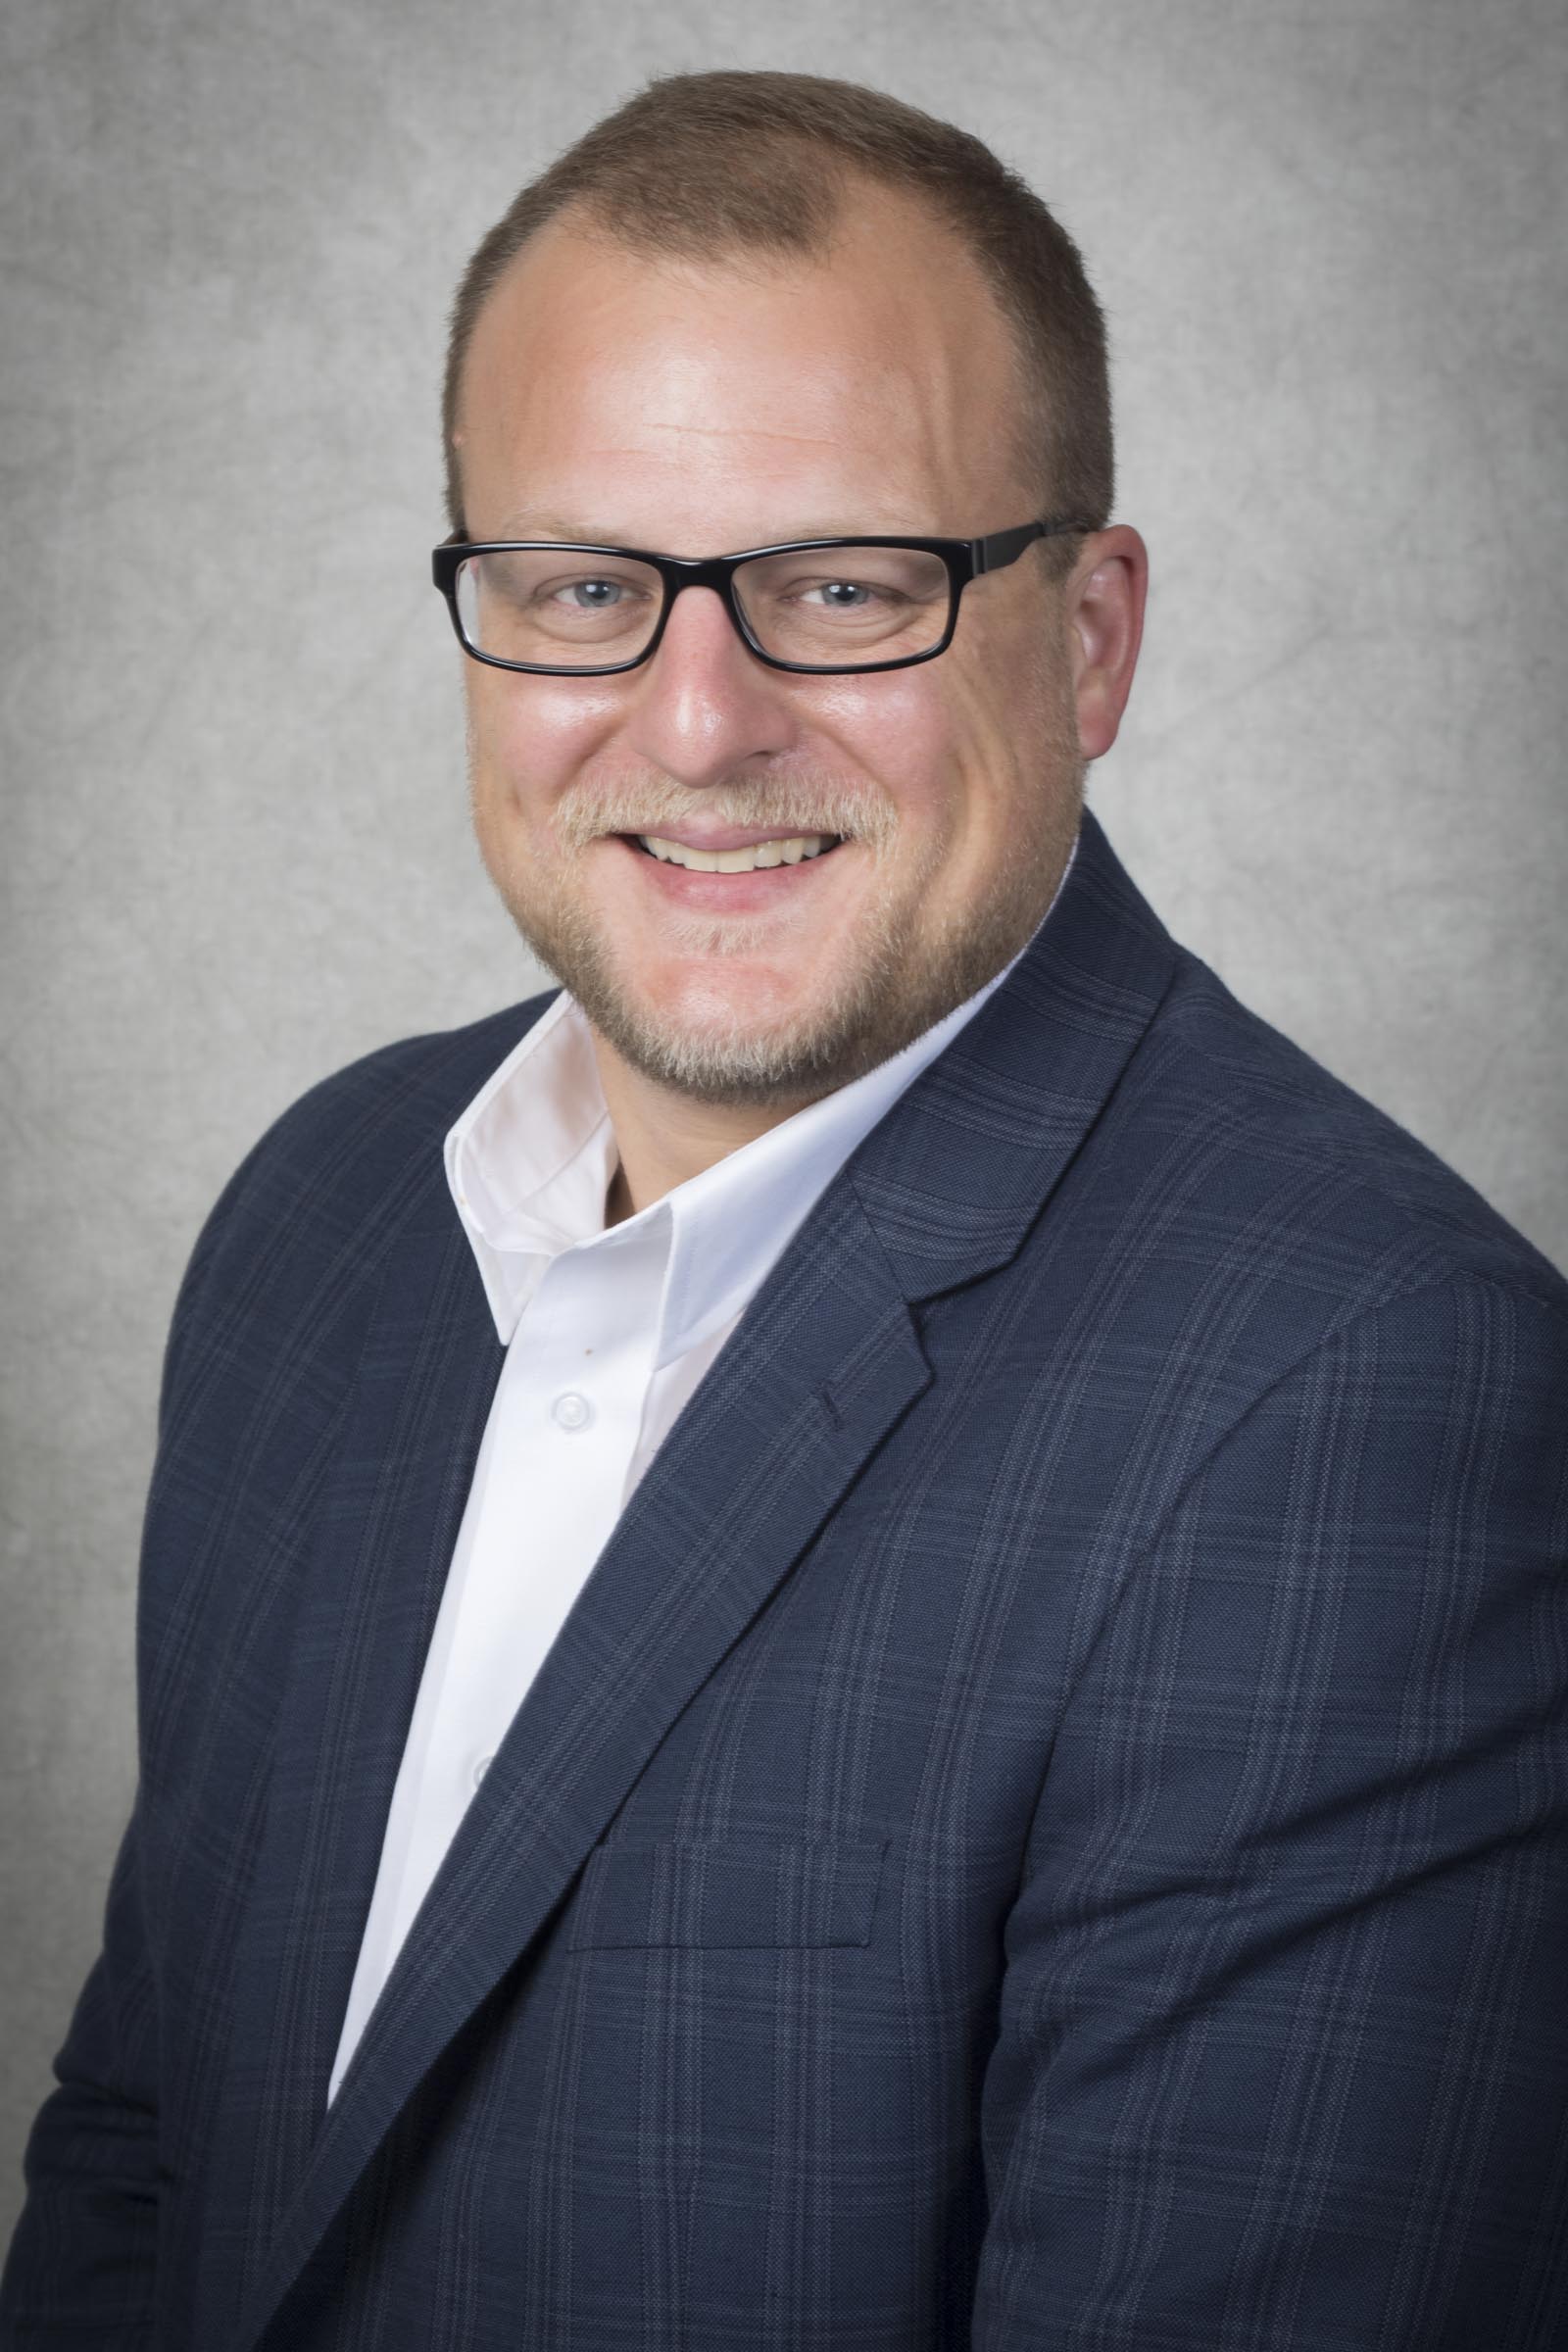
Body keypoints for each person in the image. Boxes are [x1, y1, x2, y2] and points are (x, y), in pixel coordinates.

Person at [4, 67, 1565, 2352]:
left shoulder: (1369, 1404)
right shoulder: (320, 1221)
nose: (696, 721)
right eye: (581, 588)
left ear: (1088, 637)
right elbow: (151, 2160)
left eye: (842, 586)